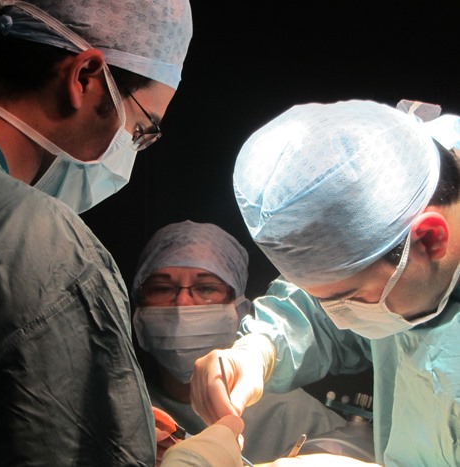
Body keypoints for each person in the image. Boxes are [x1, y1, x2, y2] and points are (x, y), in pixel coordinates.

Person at [0, 2, 245, 466]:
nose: (134, 147)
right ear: (85, 75)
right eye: (142, 128)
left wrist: (97, 421)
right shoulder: (42, 247)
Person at [189, 99, 460, 466]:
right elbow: (320, 313)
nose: (342, 318)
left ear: (429, 240)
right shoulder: (400, 174)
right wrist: (260, 349)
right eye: (327, 300)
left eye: (352, 299)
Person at [131, 220, 347, 464]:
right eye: (162, 288)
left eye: (205, 288)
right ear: (138, 308)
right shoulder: (122, 411)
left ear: (240, 309)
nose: (183, 303)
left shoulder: (294, 415)